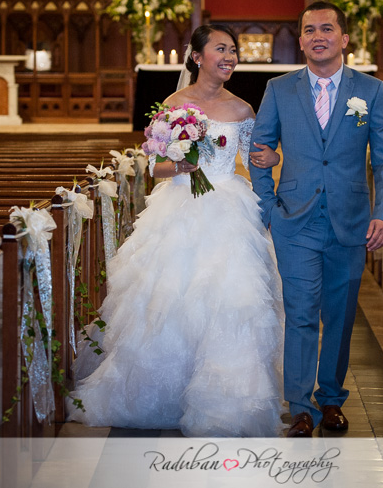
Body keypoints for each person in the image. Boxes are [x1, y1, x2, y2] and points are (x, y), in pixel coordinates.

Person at [68, 24, 285, 437]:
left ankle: (227, 400)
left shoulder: (242, 109)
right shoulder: (173, 103)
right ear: (198, 56)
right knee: (166, 299)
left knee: (227, 300)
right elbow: (156, 164)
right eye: (221, 49)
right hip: (179, 205)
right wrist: (181, 165)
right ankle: (157, 392)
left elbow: (256, 158)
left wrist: (272, 156)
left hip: (227, 209)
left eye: (234, 50)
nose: (230, 57)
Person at [249, 1, 383, 437]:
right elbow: (258, 152)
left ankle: (330, 399)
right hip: (294, 221)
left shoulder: (370, 91)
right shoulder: (279, 89)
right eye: (310, 30)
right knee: (299, 313)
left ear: (344, 38)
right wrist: (269, 207)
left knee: (339, 314)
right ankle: (299, 405)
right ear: (300, 40)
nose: (319, 36)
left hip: (350, 221)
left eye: (327, 29)